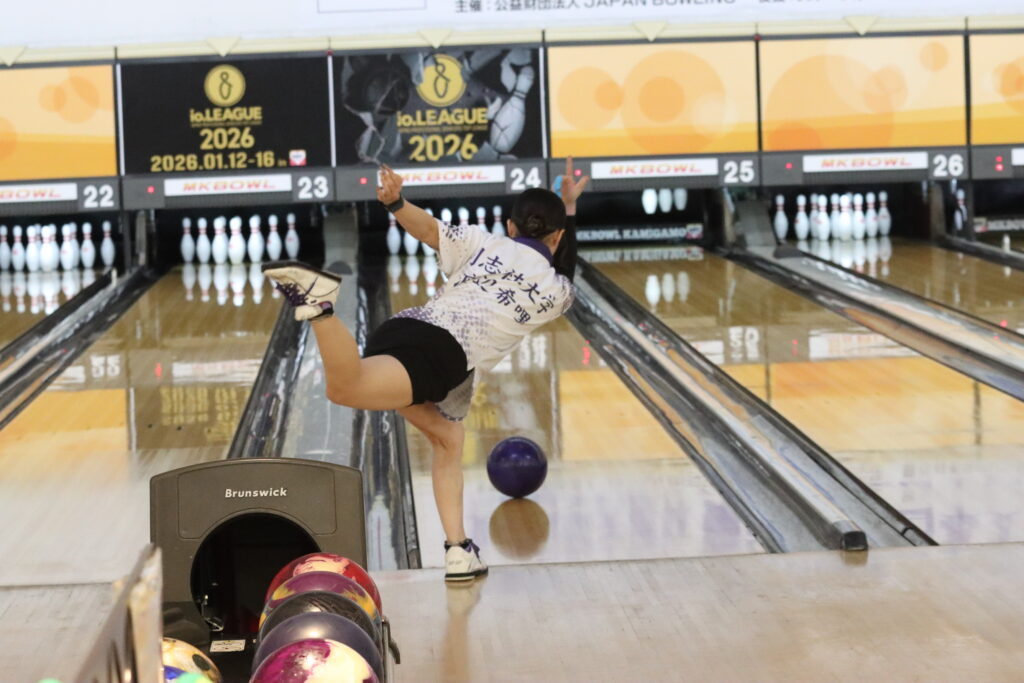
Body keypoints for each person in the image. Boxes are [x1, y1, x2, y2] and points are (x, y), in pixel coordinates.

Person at [262, 159, 588, 581]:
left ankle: (459, 550)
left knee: (449, 438)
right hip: (440, 358)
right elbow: (565, 269)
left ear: (511, 227)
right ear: (558, 236)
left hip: (404, 328)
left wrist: (395, 202)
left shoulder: (483, 241)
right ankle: (320, 306)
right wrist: (570, 209)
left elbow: (429, 229)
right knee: (344, 388)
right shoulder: (557, 293)